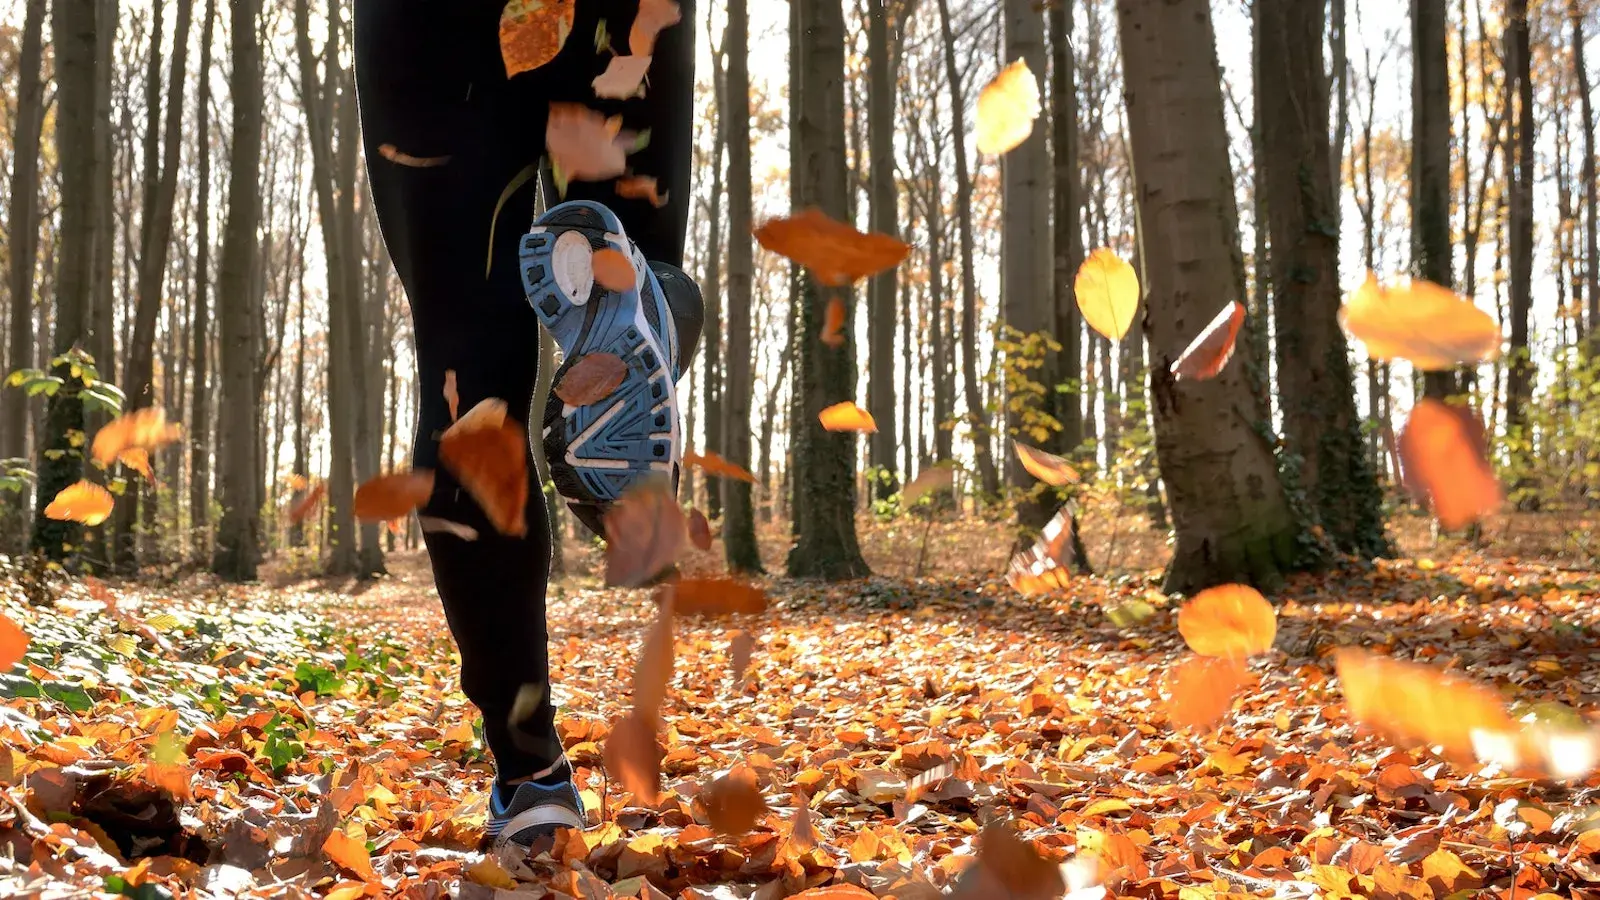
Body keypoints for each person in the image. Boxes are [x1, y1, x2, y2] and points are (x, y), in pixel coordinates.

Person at [353, 0, 702, 852]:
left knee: (470, 381)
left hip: (435, 33)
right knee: (634, 259)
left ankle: (531, 774)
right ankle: (647, 318)